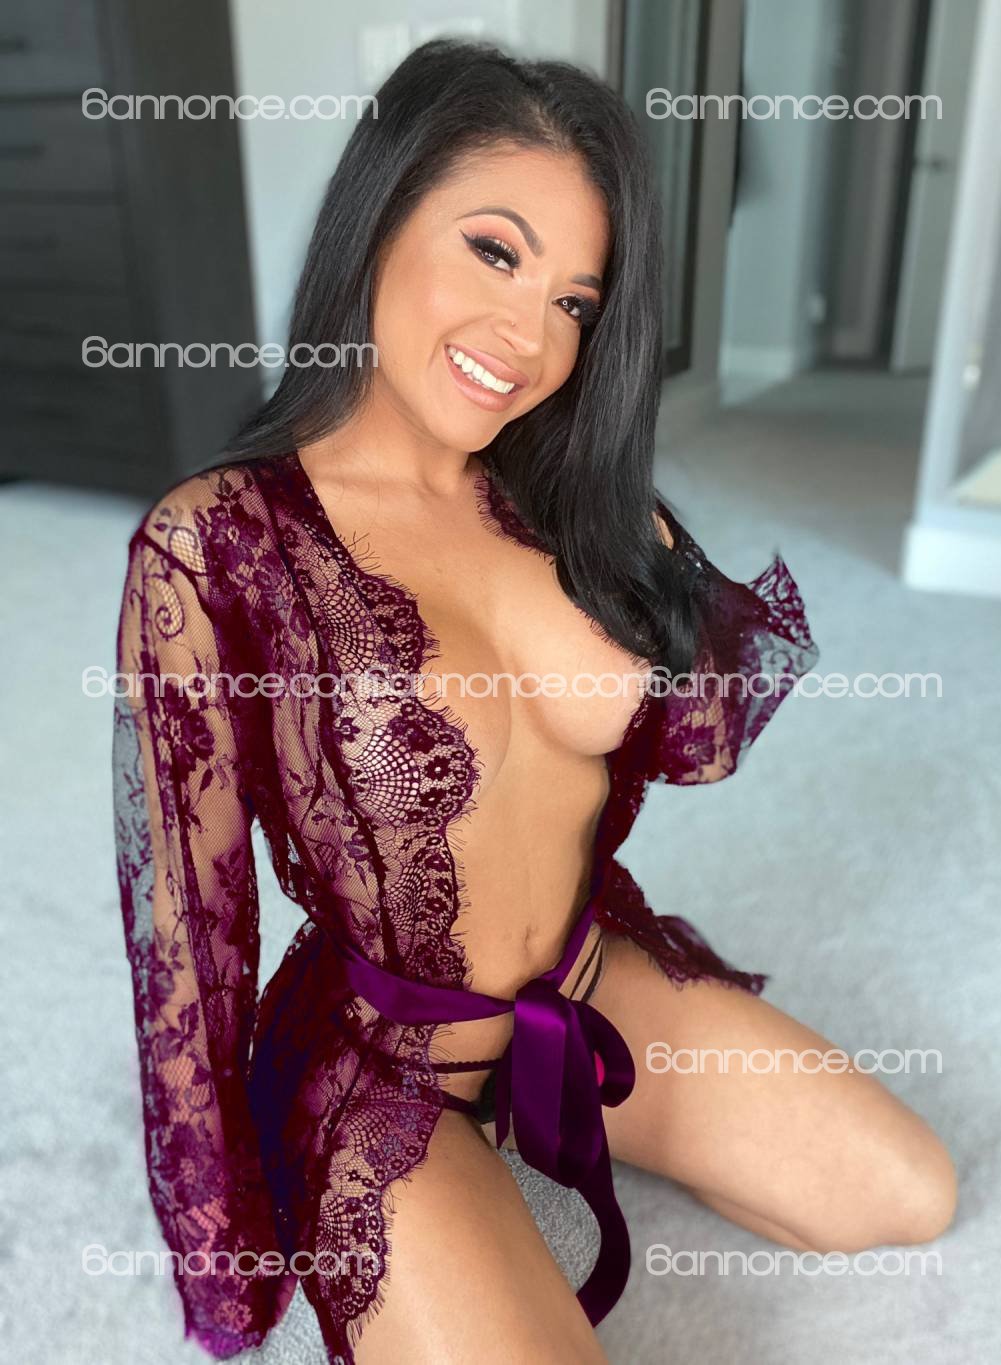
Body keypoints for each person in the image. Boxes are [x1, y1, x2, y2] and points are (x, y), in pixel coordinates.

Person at [112, 37, 956, 1365]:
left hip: (582, 987)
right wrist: (229, 1263)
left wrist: (638, 551)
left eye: (576, 302)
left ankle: (548, 1123)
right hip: (381, 1063)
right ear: (378, 219)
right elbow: (184, 934)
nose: (529, 339)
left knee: (909, 1194)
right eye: (495, 253)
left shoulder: (564, 503)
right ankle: (450, 1183)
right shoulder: (218, 544)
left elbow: (703, 747)